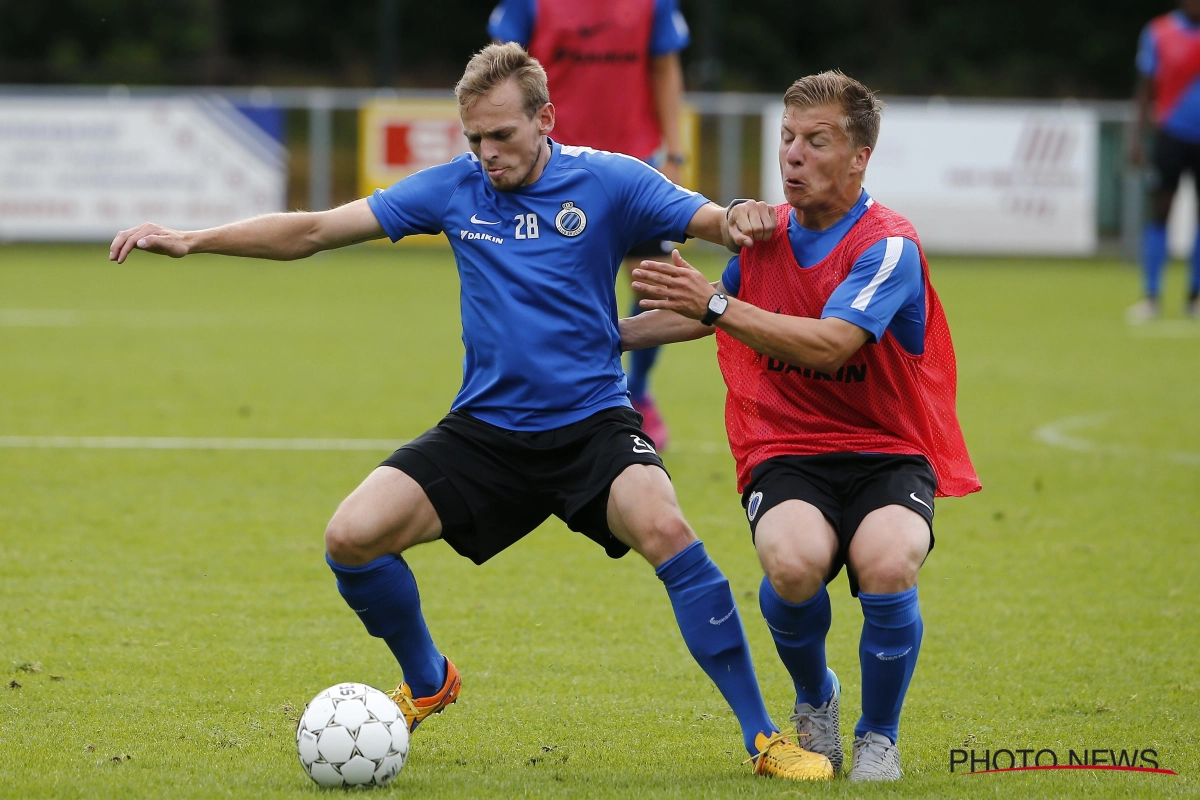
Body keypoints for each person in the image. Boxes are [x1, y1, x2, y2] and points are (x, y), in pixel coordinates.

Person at [109, 43, 833, 781]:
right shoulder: (454, 190)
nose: (487, 154)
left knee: (668, 529)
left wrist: (744, 213)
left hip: (591, 428)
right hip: (484, 433)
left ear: (544, 119)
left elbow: (718, 222)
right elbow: (317, 230)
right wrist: (194, 239)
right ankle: (429, 680)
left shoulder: (611, 182)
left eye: (502, 136)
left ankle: (762, 738)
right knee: (350, 538)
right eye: (475, 138)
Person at [620, 71, 981, 781]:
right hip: (786, 449)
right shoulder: (762, 238)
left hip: (888, 451)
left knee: (887, 561)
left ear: (859, 158)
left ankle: (880, 732)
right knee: (790, 564)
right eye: (787, 138)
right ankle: (816, 696)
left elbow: (830, 342)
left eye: (817, 142)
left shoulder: (889, 247)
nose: (793, 155)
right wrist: (603, 336)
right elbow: (706, 308)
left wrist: (714, 307)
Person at [489, 0, 693, 447]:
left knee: (655, 281)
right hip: (553, 169)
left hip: (635, 168)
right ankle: (561, 393)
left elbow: (664, 68)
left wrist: (675, 151)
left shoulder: (653, 5)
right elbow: (501, 72)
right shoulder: (530, 4)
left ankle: (637, 392)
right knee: (552, 287)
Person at [1130, 0, 1200, 322]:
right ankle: (1151, 295)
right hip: (1170, 134)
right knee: (1160, 211)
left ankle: (1195, 297)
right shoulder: (1159, 31)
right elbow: (1145, 88)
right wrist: (1136, 138)